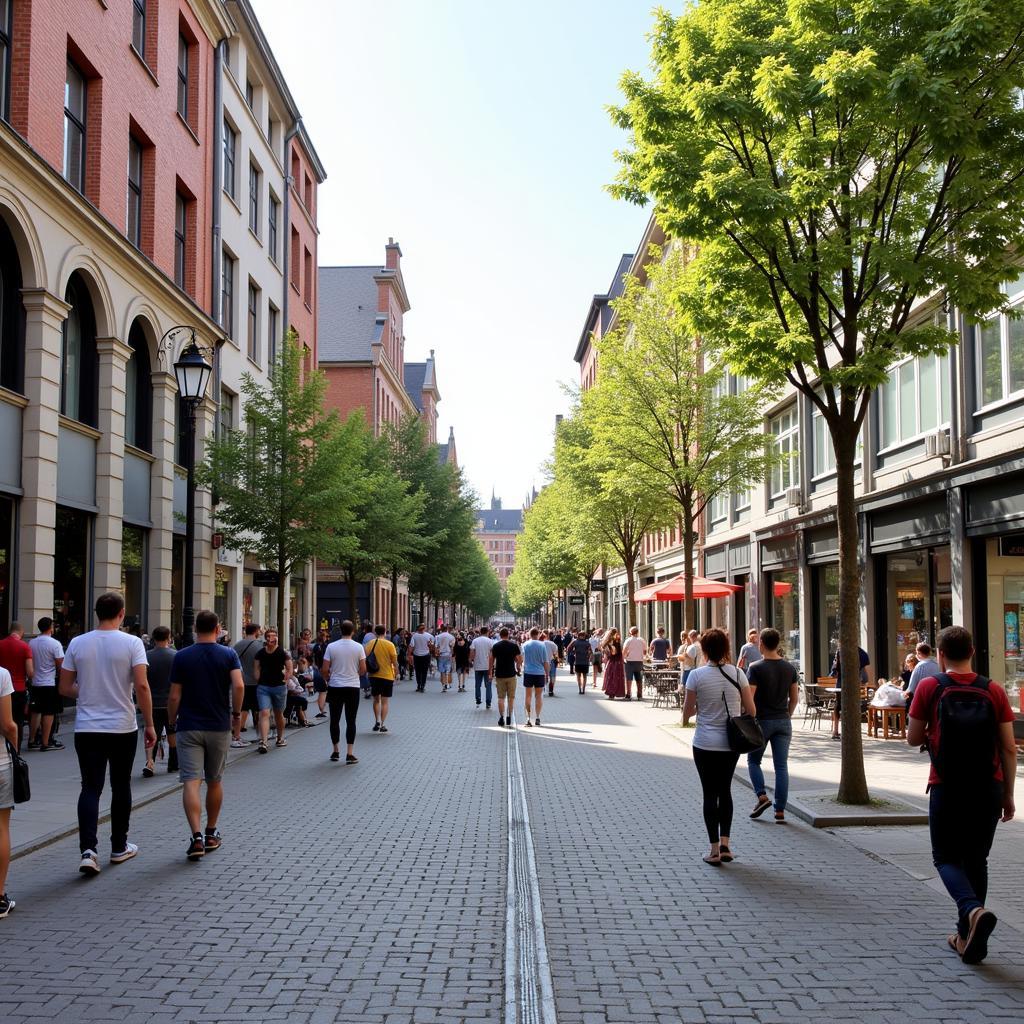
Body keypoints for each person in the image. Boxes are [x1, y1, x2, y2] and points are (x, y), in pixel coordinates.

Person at [907, 625, 1016, 964]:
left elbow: (912, 738)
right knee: (976, 860)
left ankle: (971, 911)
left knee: (945, 858)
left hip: (947, 785)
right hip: (988, 786)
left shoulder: (930, 686)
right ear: (972, 652)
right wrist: (1008, 794)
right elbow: (1009, 748)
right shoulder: (993, 690)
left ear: (940, 655)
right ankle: (966, 936)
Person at [58, 592, 156, 876]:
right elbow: (142, 686)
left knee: (90, 787)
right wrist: (150, 724)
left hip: (87, 727)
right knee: (121, 785)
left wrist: (88, 692)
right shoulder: (132, 643)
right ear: (122, 613)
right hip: (122, 726)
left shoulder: (77, 642)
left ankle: (88, 851)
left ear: (96, 613)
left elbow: (64, 687)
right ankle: (119, 846)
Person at [165, 610, 244, 861]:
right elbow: (239, 685)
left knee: (190, 781)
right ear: (218, 628)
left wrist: (170, 720)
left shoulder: (182, 656)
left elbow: (175, 695)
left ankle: (196, 837)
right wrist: (236, 714)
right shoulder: (228, 654)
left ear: (195, 628)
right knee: (215, 780)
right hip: (218, 725)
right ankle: (211, 832)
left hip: (189, 725)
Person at [682, 628, 757, 865]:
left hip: (704, 743)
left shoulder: (696, 676)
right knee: (725, 791)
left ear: (703, 650)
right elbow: (751, 711)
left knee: (709, 793)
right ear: (726, 649)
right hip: (730, 743)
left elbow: (687, 713)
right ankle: (726, 845)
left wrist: (701, 708)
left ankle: (713, 849)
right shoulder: (738, 674)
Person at [745, 629, 799, 824]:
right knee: (781, 766)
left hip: (762, 721)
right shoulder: (790, 668)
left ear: (761, 644)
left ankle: (761, 796)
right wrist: (788, 715)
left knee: (753, 761)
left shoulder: (755, 667)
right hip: (783, 721)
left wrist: (750, 718)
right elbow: (794, 698)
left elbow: (749, 697)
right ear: (778, 644)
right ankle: (780, 811)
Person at [322, 620, 366, 764]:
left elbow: (324, 669)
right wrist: (354, 675)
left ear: (340, 631)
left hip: (335, 686)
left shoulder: (331, 646)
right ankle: (350, 753)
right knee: (351, 720)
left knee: (334, 720)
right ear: (353, 631)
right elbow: (363, 669)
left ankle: (335, 751)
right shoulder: (359, 647)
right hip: (352, 687)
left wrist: (329, 679)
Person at [143, 626, 177, 775]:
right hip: (171, 702)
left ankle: (150, 762)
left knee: (151, 732)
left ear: (154, 638)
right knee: (172, 732)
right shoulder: (176, 656)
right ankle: (173, 762)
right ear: (168, 637)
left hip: (151, 702)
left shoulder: (146, 656)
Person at [28, 617, 64, 752]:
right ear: (50, 627)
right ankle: (46, 741)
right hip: (49, 681)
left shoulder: (32, 643)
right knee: (49, 712)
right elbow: (61, 664)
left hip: (36, 681)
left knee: (36, 711)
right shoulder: (55, 644)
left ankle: (32, 740)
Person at [253, 629, 292, 754]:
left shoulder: (283, 653)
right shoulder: (260, 653)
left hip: (279, 687)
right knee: (264, 712)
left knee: (278, 714)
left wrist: (286, 679)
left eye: (274, 636)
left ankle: (280, 738)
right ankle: (263, 742)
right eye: (269, 636)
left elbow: (289, 667)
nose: (271, 639)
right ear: (265, 639)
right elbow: (256, 667)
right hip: (263, 687)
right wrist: (258, 678)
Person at [0, 662, 18, 916]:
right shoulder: (1, 674)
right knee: (1, 827)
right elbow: (8, 725)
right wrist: (15, 753)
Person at [0, 623, 32, 751]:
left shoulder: (1, 644)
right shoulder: (24, 646)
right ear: (21, 632)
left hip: (2, 688)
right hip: (18, 688)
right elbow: (30, 671)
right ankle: (15, 749)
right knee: (17, 720)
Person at [829, 644, 871, 740]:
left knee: (838, 705)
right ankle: (851, 732)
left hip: (841, 684)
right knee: (852, 706)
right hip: (854, 684)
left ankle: (835, 731)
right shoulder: (861, 653)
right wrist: (863, 680)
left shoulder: (840, 651)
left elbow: (834, 673)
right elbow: (865, 673)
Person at [365, 623, 398, 733]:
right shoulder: (390, 645)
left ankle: (377, 721)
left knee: (376, 700)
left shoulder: (370, 644)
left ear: (375, 633)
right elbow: (394, 661)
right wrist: (396, 673)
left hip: (374, 675)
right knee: (385, 701)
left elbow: (365, 658)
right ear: (385, 632)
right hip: (387, 675)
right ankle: (383, 724)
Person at [233, 624, 263, 735]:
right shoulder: (259, 646)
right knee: (260, 708)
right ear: (256, 631)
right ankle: (261, 735)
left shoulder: (237, 645)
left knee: (243, 707)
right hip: (256, 681)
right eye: (259, 631)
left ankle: (237, 732)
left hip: (241, 680)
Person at [489, 627, 522, 728]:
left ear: (500, 635)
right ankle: (509, 716)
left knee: (501, 698)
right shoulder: (514, 646)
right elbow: (518, 660)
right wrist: (518, 667)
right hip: (511, 675)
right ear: (508, 635)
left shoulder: (496, 646)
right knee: (511, 698)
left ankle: (501, 717)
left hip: (500, 675)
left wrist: (490, 673)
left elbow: (491, 661)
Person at [521, 628, 549, 728]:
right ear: (538, 634)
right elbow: (545, 661)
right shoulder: (542, 645)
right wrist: (547, 674)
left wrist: (521, 667)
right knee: (538, 696)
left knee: (528, 696)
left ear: (529, 634)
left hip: (528, 672)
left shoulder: (525, 645)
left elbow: (521, 658)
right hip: (539, 673)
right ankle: (537, 717)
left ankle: (528, 718)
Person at [470, 627, 493, 708]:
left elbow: (472, 652)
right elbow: (492, 653)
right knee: (488, 685)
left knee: (477, 684)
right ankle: (488, 702)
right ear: (487, 632)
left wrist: (471, 660)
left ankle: (478, 699)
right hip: (487, 666)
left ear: (480, 632)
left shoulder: (475, 641)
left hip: (478, 665)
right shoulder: (490, 641)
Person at [622, 626, 647, 700]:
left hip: (630, 661)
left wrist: (625, 657)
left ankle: (628, 694)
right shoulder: (642, 640)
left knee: (629, 678)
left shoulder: (628, 640)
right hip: (639, 661)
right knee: (639, 678)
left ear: (630, 633)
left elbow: (624, 651)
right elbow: (645, 651)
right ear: (637, 632)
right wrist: (641, 655)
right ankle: (639, 695)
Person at [601, 629, 626, 699]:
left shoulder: (609, 641)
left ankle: (611, 693)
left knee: (611, 676)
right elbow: (615, 651)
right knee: (617, 677)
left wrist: (606, 652)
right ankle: (616, 692)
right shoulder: (616, 640)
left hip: (612, 661)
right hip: (617, 661)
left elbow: (603, 648)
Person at [410, 623, 433, 692]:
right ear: (424, 629)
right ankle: (422, 686)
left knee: (418, 671)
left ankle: (419, 685)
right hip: (426, 655)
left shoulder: (414, 636)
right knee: (424, 671)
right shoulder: (429, 636)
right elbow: (431, 646)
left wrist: (409, 655)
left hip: (417, 655)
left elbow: (411, 646)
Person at [435, 624, 455, 692]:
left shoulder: (438, 637)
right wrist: (452, 655)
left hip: (441, 655)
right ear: (447, 629)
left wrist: (436, 654)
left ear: (441, 629)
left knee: (442, 671)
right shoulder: (451, 637)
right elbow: (452, 646)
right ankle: (447, 683)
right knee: (448, 670)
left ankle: (443, 685)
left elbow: (436, 646)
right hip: (448, 654)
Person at [542, 631, 559, 697]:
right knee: (552, 676)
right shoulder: (552, 644)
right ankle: (551, 690)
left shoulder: (539, 643)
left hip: (542, 661)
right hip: (551, 661)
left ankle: (543, 688)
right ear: (548, 636)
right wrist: (557, 660)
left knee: (543, 675)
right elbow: (555, 654)